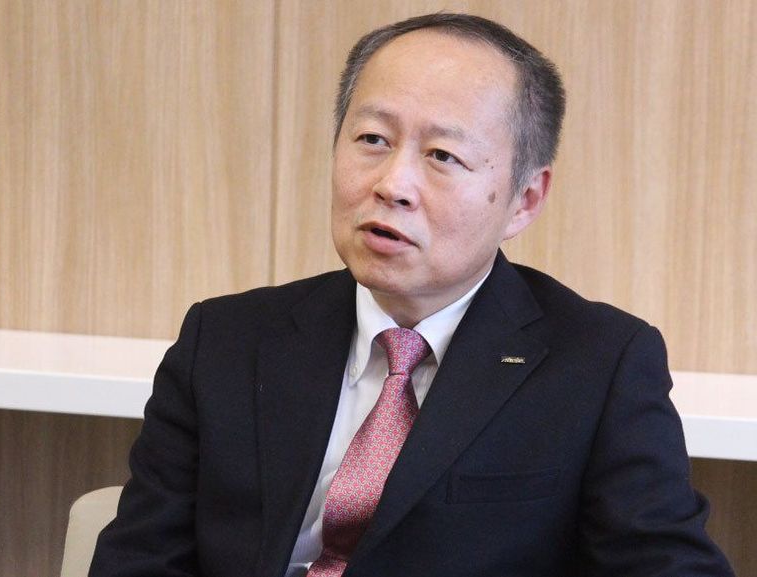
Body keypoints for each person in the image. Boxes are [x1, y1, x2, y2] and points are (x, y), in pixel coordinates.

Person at [90, 13, 734, 577]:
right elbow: (139, 559)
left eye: (442, 155)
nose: (392, 184)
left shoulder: (598, 364)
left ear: (524, 199)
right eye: (372, 140)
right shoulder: (226, 340)